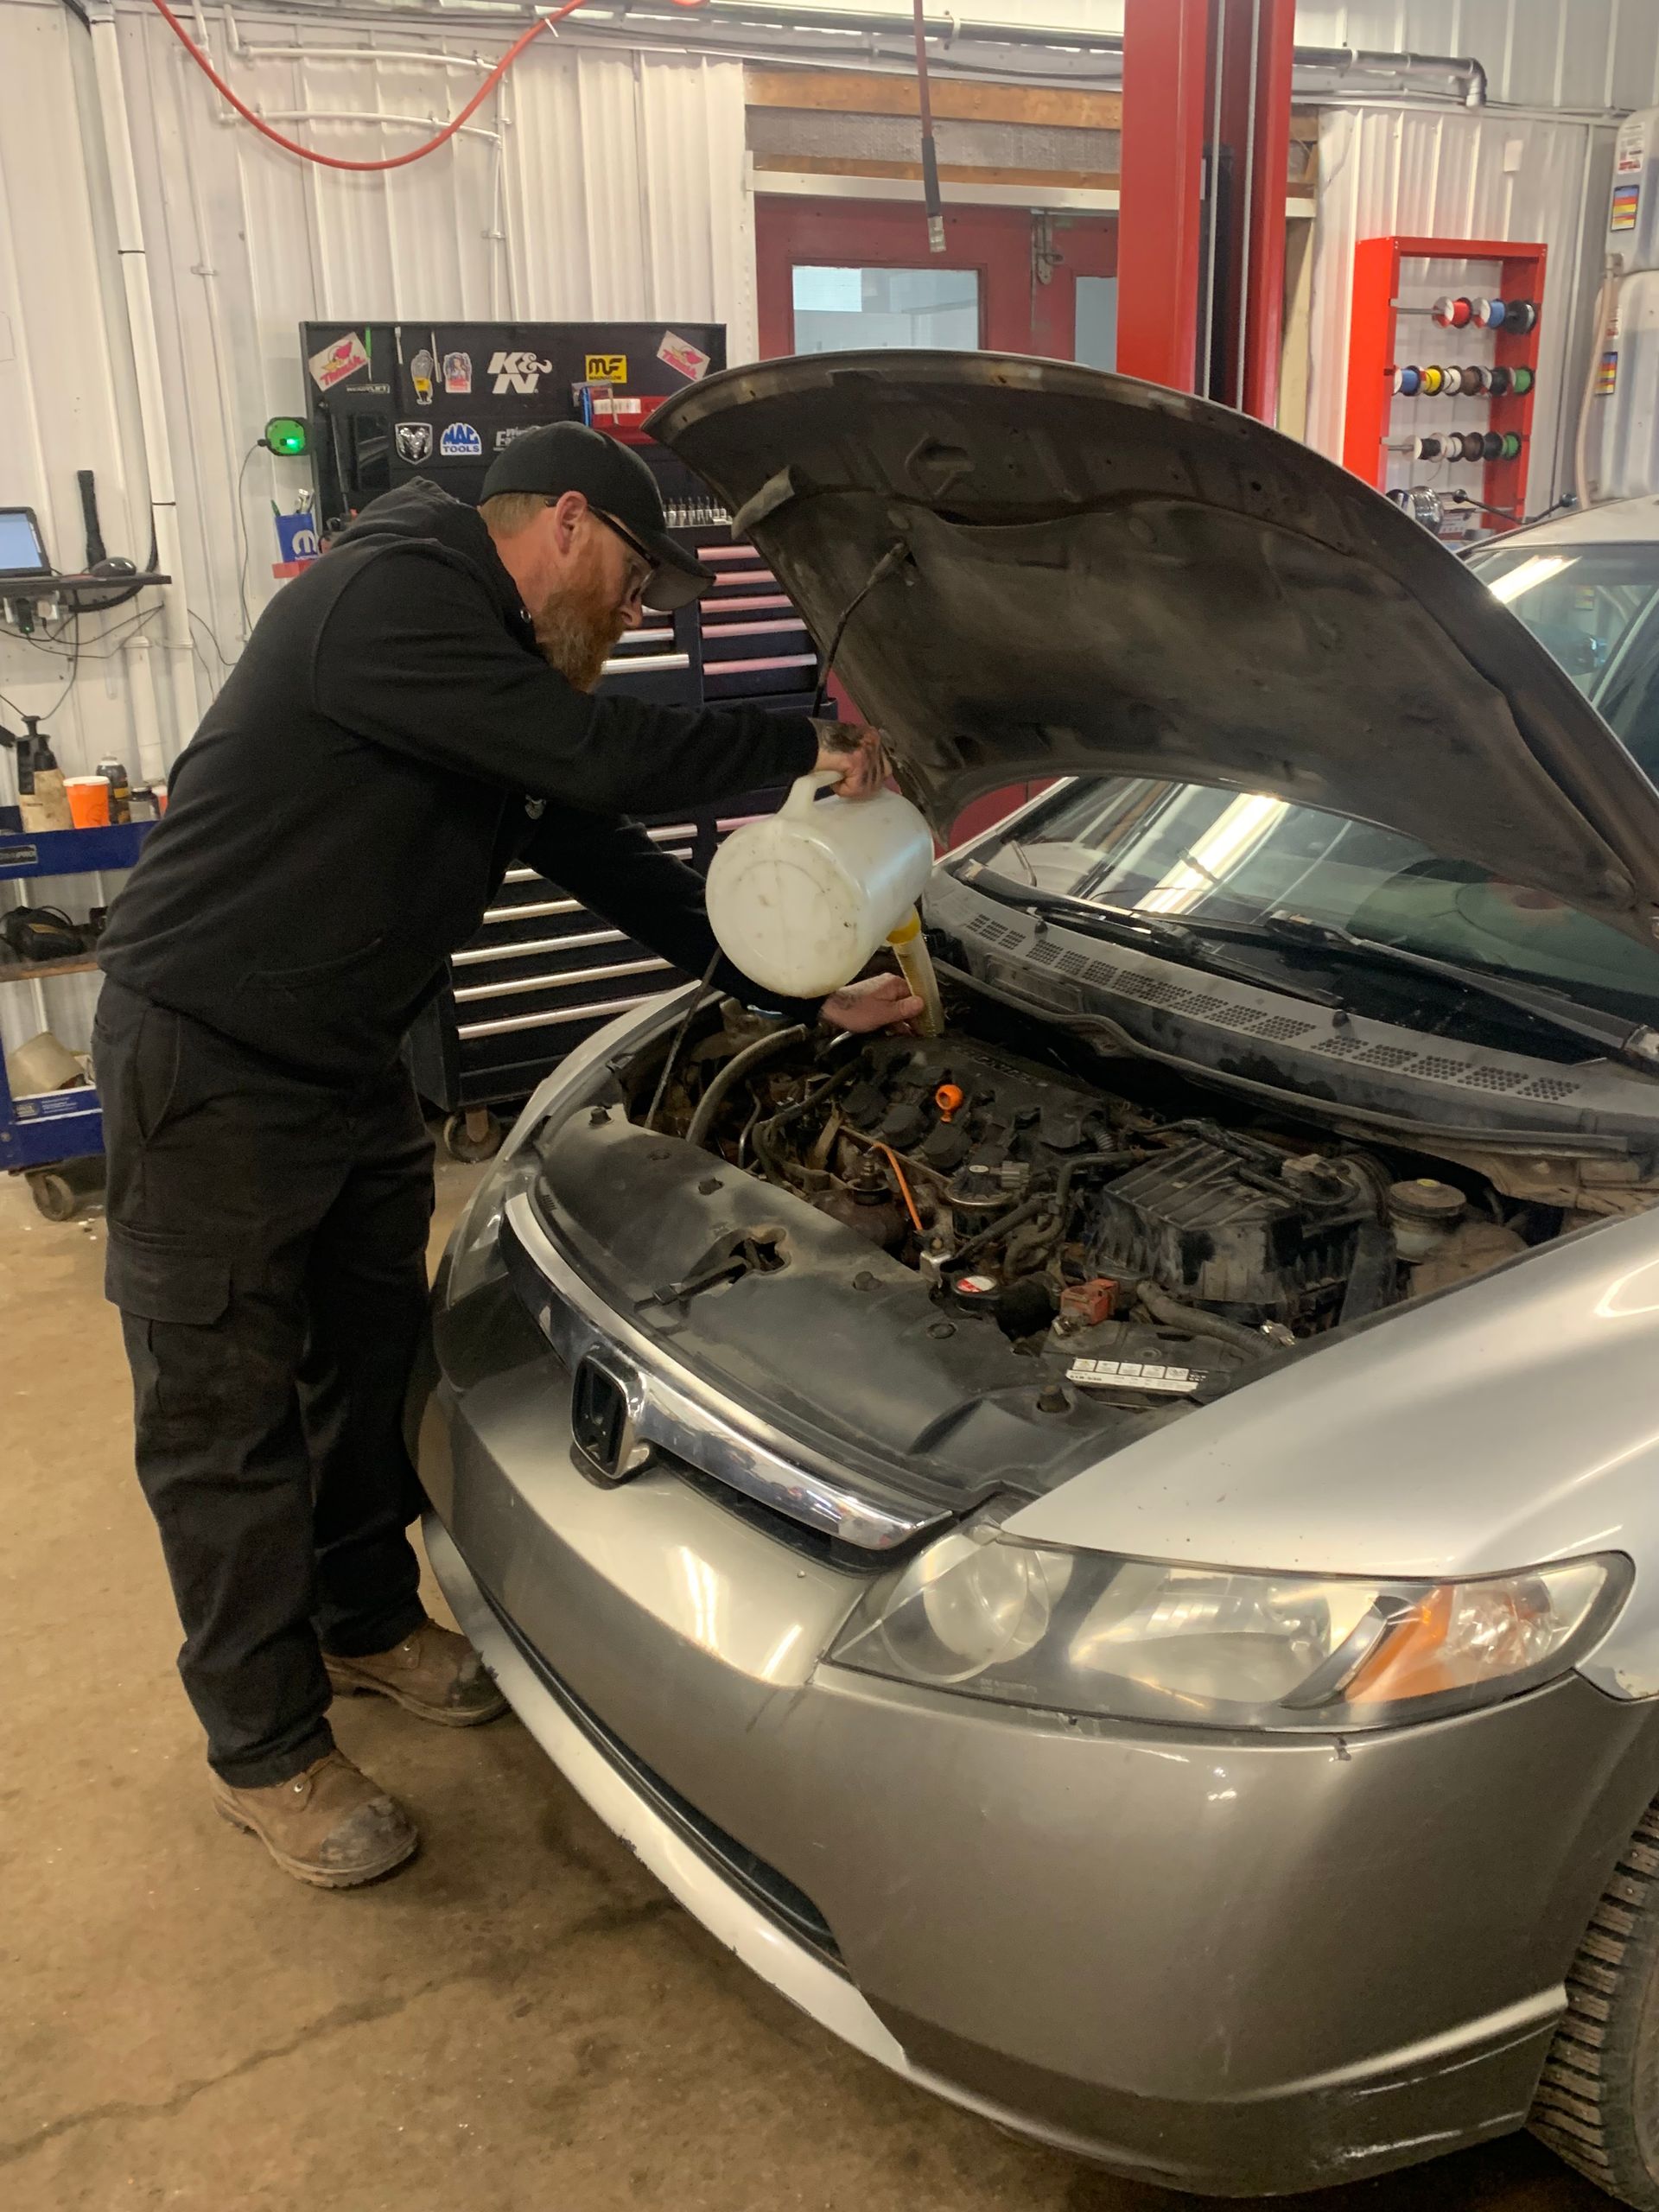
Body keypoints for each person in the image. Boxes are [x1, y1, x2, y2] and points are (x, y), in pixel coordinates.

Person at [94, 421, 921, 1890]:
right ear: (566, 530)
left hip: (347, 1067)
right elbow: (593, 752)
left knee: (363, 1362)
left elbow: (593, 837)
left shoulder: (484, 668)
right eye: (631, 584)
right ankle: (264, 1748)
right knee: (220, 1418)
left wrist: (790, 990)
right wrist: (804, 740)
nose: (630, 616)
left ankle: (359, 1622)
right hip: (211, 1067)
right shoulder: (391, 599)